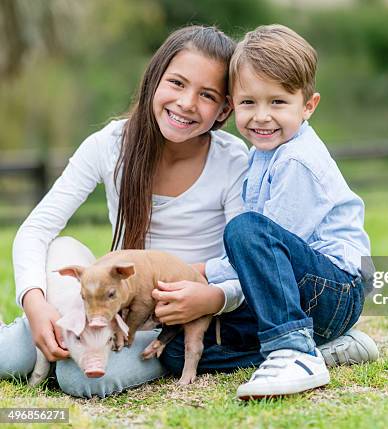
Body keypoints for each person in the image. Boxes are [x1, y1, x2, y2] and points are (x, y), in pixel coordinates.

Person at [0, 25, 251, 398]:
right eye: (177, 83)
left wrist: (215, 298)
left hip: (171, 317)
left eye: (207, 95)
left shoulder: (233, 161)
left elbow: (245, 258)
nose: (186, 103)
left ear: (224, 108)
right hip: (113, 301)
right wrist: (34, 301)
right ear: (153, 79)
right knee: (8, 359)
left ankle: (326, 346)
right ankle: (49, 330)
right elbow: (37, 229)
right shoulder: (109, 145)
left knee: (80, 378)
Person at [159, 24, 379, 400]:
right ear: (232, 104)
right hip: (294, 292)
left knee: (244, 228)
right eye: (248, 103)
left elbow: (263, 243)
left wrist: (207, 272)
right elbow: (262, 262)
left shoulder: (297, 161)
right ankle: (322, 350)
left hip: (335, 290)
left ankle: (294, 351)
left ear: (308, 106)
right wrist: (207, 275)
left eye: (277, 102)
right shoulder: (261, 154)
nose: (261, 116)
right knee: (179, 353)